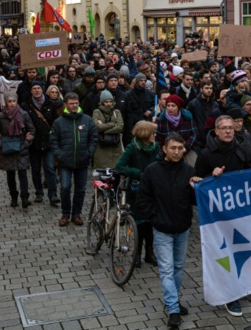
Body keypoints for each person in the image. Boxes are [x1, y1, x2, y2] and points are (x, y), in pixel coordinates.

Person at [136, 133, 201, 328]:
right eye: (173, 148)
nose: (177, 152)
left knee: (178, 267)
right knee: (166, 269)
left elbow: (194, 202)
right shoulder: (152, 171)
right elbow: (142, 200)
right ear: (164, 148)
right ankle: (172, 308)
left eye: (180, 148)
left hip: (182, 228)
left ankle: (173, 300)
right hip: (162, 229)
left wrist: (195, 188)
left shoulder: (188, 170)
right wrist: (155, 218)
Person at [194, 115, 251, 317]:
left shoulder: (242, 148)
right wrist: (209, 178)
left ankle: (244, 285)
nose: (229, 131)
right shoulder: (205, 155)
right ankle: (230, 296)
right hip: (218, 218)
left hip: (240, 211)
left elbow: (248, 170)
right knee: (225, 255)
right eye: (225, 128)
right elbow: (197, 185)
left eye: (231, 127)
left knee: (244, 250)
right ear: (217, 131)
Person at [115, 121, 160, 268]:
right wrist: (139, 173)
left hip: (153, 190)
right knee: (140, 224)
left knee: (150, 222)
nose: (155, 135)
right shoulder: (132, 148)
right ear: (145, 134)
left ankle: (149, 253)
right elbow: (120, 167)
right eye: (153, 132)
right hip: (137, 191)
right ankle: (137, 254)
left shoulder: (156, 147)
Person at [50, 92, 99, 227]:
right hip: (65, 161)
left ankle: (76, 214)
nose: (74, 106)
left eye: (76, 103)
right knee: (65, 187)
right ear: (65, 104)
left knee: (81, 189)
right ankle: (65, 213)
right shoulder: (59, 122)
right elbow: (53, 140)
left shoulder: (87, 120)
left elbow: (94, 137)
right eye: (71, 103)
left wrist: (89, 153)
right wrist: (59, 155)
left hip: (82, 161)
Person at [0, 93, 36, 209]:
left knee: (23, 174)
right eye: (9, 101)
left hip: (21, 147)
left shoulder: (23, 114)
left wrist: (26, 144)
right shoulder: (1, 116)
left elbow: (31, 130)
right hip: (7, 148)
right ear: (6, 102)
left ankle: (25, 198)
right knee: (10, 174)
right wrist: (0, 144)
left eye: (14, 101)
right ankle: (14, 197)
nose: (12, 103)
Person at [21, 82, 59, 206]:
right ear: (31, 91)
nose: (37, 90)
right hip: (34, 143)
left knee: (49, 168)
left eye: (38, 88)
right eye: (34, 88)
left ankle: (53, 194)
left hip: (48, 142)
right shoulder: (26, 106)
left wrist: (54, 136)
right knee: (36, 169)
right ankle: (39, 192)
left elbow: (55, 122)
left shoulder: (49, 103)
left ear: (42, 90)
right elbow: (24, 124)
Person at [155, 94, 197, 159]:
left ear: (178, 107)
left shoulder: (187, 118)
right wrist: (164, 150)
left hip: (185, 151)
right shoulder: (161, 120)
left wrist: (185, 147)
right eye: (168, 106)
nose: (170, 108)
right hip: (166, 154)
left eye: (173, 106)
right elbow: (156, 138)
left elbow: (194, 134)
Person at [92, 90, 124, 169]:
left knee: (115, 171)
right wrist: (113, 124)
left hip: (115, 146)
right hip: (102, 146)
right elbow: (97, 127)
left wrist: (104, 130)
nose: (109, 104)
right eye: (106, 102)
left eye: (110, 101)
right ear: (102, 102)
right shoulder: (97, 112)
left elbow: (120, 127)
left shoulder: (116, 112)